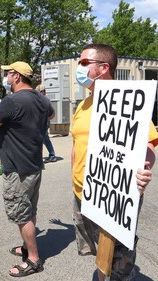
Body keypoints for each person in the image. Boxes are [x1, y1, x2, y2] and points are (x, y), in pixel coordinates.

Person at [72, 43, 158, 280]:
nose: (79, 68)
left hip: (115, 194)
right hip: (82, 194)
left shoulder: (126, 100)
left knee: (118, 256)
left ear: (103, 68)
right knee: (98, 253)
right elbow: (75, 146)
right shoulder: (82, 104)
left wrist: (144, 169)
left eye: (84, 63)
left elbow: (149, 145)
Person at [0, 61, 54, 277]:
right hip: (33, 164)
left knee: (21, 213)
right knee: (29, 209)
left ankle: (33, 259)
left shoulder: (11, 101)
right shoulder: (41, 99)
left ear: (17, 76)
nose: (6, 76)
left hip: (17, 168)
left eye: (8, 73)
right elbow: (50, 115)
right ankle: (26, 246)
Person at [36, 84, 57, 163]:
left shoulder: (44, 100)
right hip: (43, 122)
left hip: (43, 123)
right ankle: (52, 155)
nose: (40, 93)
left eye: (41, 91)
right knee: (45, 139)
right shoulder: (44, 99)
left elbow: (50, 112)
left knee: (41, 140)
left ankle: (49, 156)